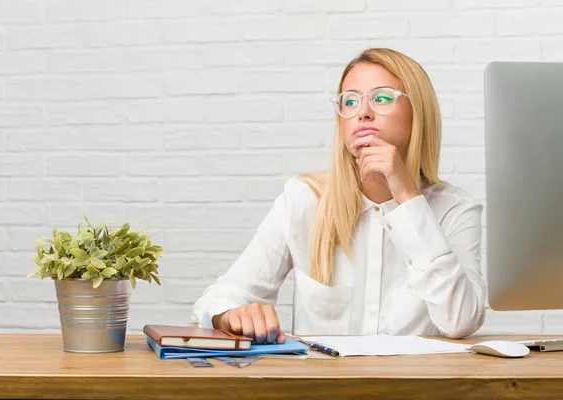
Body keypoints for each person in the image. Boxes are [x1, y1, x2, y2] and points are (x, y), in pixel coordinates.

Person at [191, 48, 486, 344]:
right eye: (350, 100)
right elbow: (219, 297)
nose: (363, 111)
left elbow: (460, 321)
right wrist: (231, 314)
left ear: (418, 113)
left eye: (382, 98)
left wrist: (407, 197)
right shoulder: (304, 199)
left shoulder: (456, 210)